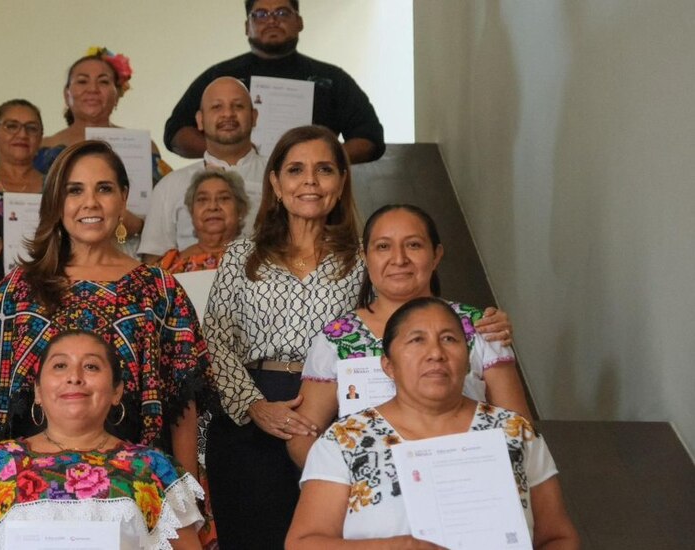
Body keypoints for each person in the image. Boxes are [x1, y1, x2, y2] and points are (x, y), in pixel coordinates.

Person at [0, 140, 210, 481]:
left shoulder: (159, 289)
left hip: (134, 486)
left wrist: (188, 487)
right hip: (29, 487)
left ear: (124, 198)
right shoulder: (20, 289)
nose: (90, 202)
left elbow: (183, 405)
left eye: (104, 189)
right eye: (75, 190)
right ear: (56, 201)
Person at [286, 297, 579, 549]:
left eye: (449, 339)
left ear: (467, 361)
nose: (436, 354)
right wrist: (395, 547)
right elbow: (304, 542)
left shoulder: (515, 433)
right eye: (417, 340)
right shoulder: (344, 440)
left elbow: (557, 537)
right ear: (388, 365)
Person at [202, 124, 364, 549]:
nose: (310, 181)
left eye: (324, 169)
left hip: (335, 416)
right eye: (295, 169)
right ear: (275, 181)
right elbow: (215, 340)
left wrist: (480, 323)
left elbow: (403, 320)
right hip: (250, 415)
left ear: (341, 181)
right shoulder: (242, 254)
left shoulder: (364, 258)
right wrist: (255, 406)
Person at [288, 203, 526, 466]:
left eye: (413, 245)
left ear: (436, 255)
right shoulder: (338, 338)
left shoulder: (481, 327)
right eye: (383, 246)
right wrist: (345, 487)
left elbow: (518, 427)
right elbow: (303, 434)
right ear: (365, 257)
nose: (399, 259)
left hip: (466, 487)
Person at [0, 331, 204, 550]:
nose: (74, 377)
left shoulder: (153, 468)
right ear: (38, 391)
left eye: (91, 366)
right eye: (60, 365)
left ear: (116, 391)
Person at [164, 0, 385, 164]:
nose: (271, 20)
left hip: (313, 194)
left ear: (299, 22)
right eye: (260, 14)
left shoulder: (331, 79)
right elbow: (176, 133)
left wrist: (322, 160)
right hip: (234, 190)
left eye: (282, 12)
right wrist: (227, 155)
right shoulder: (221, 77)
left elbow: (370, 139)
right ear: (246, 26)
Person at [35, 48, 173, 243]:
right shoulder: (43, 148)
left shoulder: (144, 148)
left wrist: (140, 225)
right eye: (82, 81)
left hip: (128, 249)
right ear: (67, 95)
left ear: (117, 95)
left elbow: (167, 209)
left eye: (103, 81)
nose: (92, 89)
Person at [140, 76, 265, 262]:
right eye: (217, 107)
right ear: (200, 120)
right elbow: (153, 264)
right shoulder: (170, 186)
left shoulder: (279, 176)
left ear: (254, 117)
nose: (228, 114)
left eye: (238, 106)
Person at [155, 170, 250, 274]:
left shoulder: (258, 260)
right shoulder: (168, 265)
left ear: (240, 209)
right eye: (202, 199)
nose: (213, 207)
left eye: (223, 198)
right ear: (192, 211)